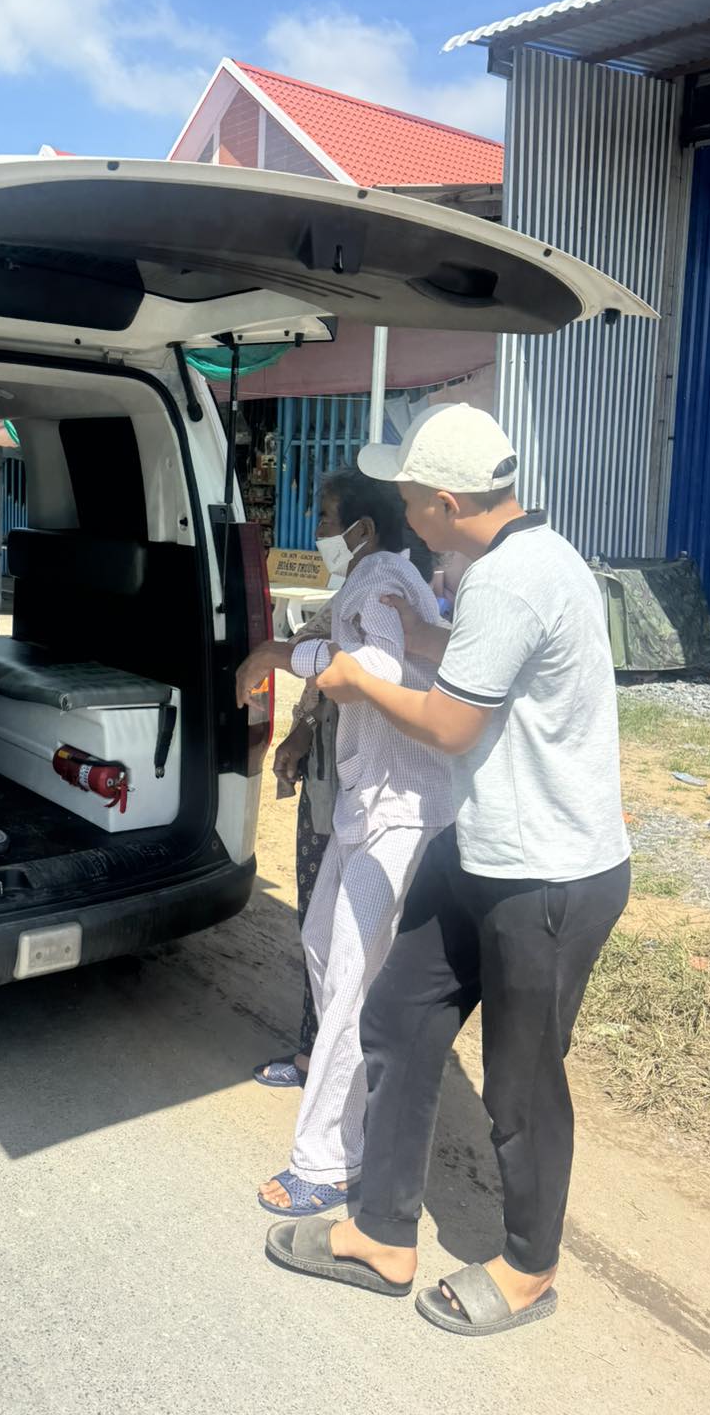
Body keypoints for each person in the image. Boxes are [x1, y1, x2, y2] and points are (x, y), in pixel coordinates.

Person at [265, 404, 631, 1338]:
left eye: (411, 494)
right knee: (396, 1014)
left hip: (547, 874)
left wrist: (357, 679)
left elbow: (451, 724)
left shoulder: (508, 581)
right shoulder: (523, 559)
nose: (402, 508)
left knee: (520, 1083)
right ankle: (382, 1234)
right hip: (478, 850)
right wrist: (411, 636)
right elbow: (472, 660)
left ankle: (529, 1269)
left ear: (446, 502)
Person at [236, 470, 452, 1216]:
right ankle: (354, 1096)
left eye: (329, 517)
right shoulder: (373, 576)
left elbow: (378, 670)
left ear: (362, 527)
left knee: (354, 974)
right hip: (370, 800)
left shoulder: (384, 577)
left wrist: (277, 655)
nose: (321, 529)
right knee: (324, 945)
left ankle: (329, 1159)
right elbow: (352, 650)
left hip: (400, 808)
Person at [252, 586, 338, 1090]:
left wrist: (269, 654)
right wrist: (304, 727)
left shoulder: (386, 590)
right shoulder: (375, 588)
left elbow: (328, 657)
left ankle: (328, 1063)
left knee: (337, 930)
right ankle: (314, 1051)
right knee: (320, 924)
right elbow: (318, 672)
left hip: (363, 801)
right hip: (330, 789)